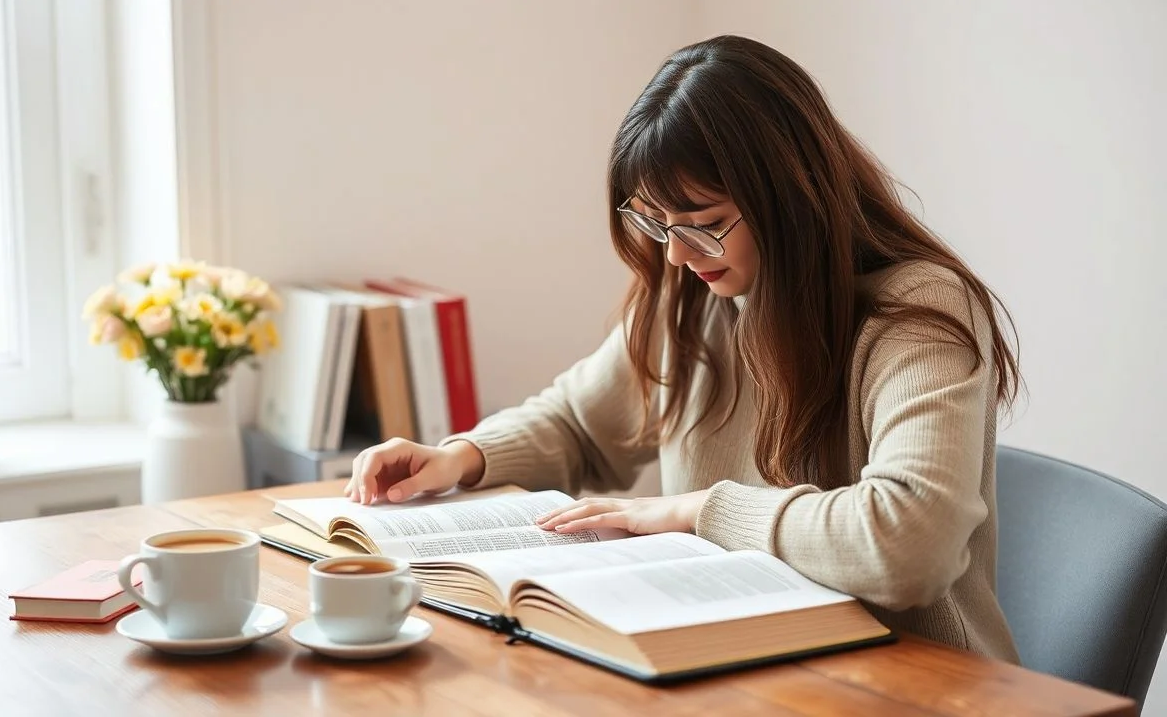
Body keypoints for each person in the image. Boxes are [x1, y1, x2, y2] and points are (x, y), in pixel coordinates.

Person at [344, 34, 1022, 663]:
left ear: (792, 198)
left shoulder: (919, 310)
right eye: (654, 222)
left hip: (920, 681)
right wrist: (461, 457)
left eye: (705, 224)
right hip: (747, 661)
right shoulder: (696, 298)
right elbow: (581, 423)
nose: (675, 255)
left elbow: (909, 544)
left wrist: (697, 511)